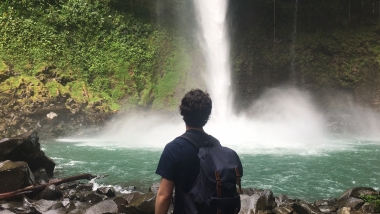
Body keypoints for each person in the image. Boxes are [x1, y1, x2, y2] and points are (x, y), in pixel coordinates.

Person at [155, 89, 214, 214]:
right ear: (207, 116)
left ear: (183, 114)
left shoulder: (174, 148)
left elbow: (164, 196)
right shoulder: (215, 144)